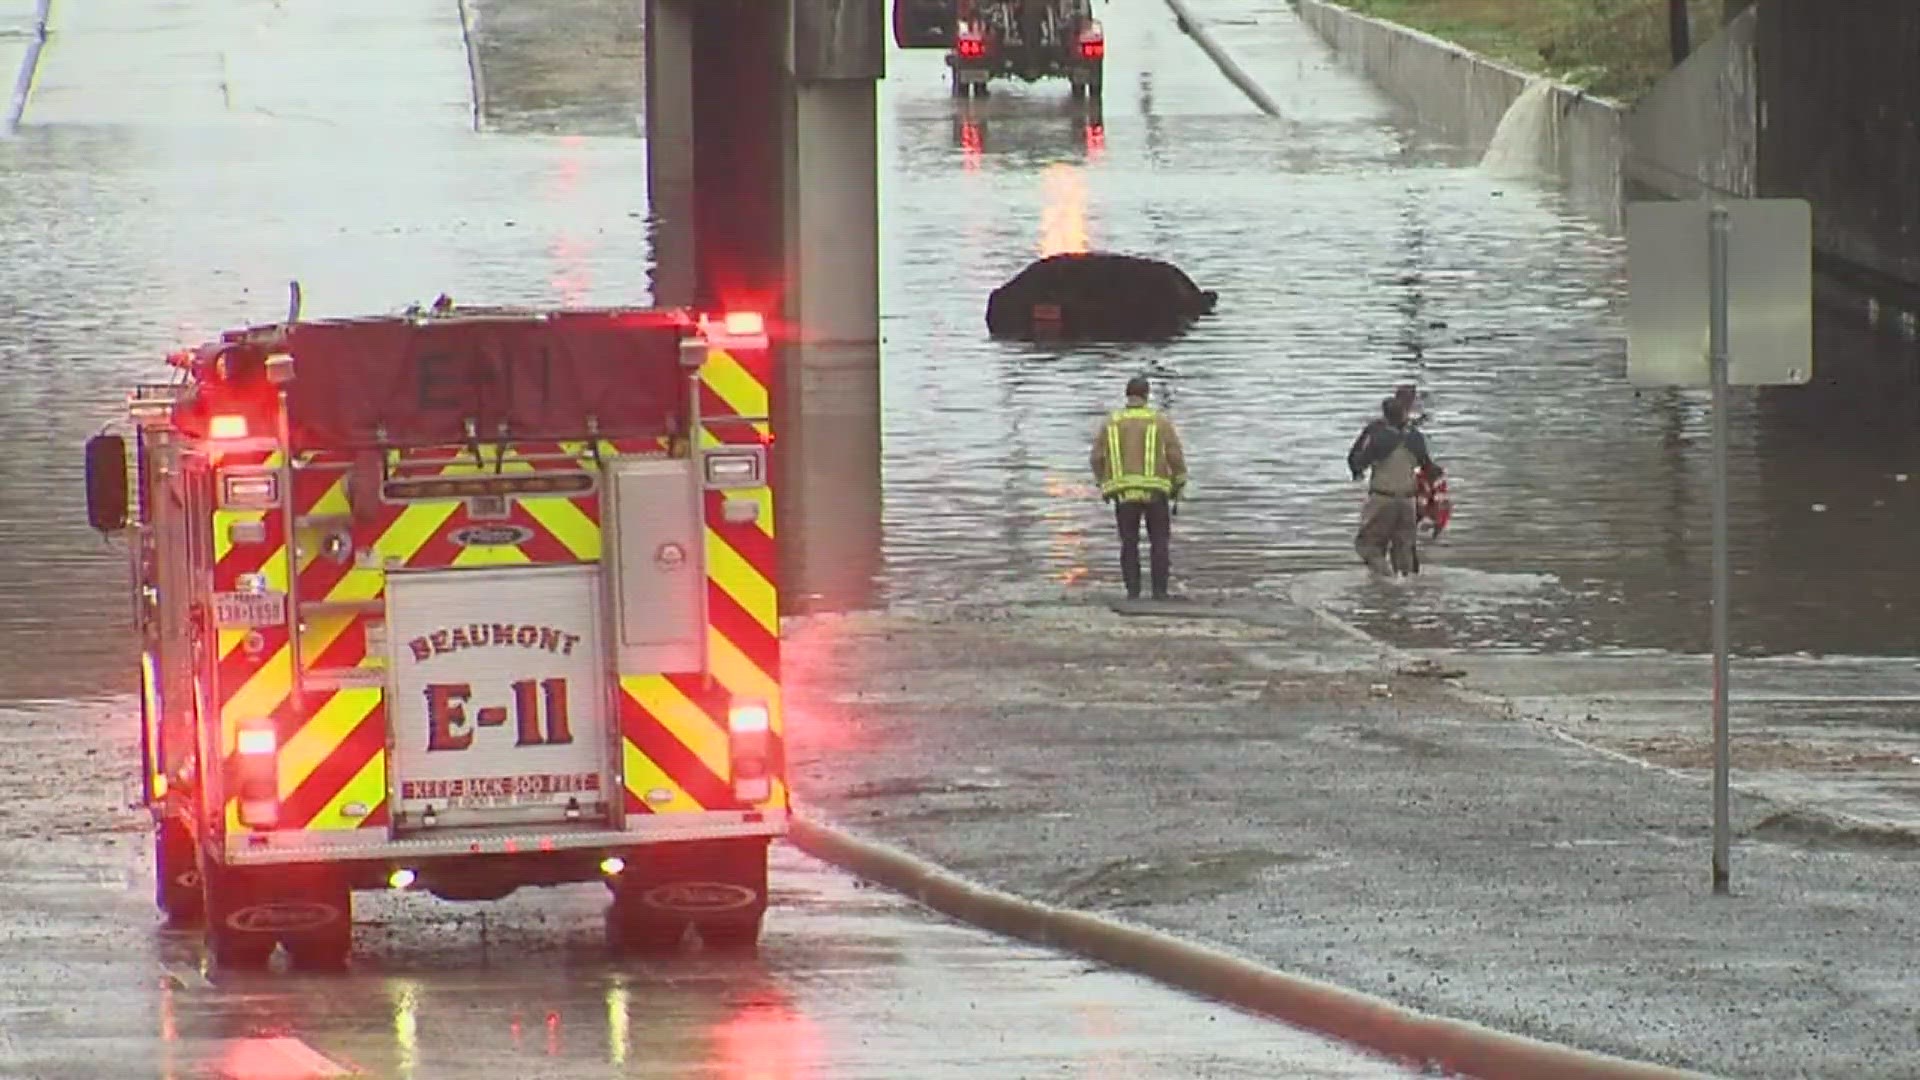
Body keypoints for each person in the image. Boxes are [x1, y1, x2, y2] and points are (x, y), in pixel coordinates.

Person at [1089, 374, 1187, 599]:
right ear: (1146, 395)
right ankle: (1159, 592)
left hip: (1124, 494)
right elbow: (1175, 455)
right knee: (1159, 543)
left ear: (1127, 395)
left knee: (1129, 543)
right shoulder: (1159, 421)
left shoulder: (1111, 422)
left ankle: (1133, 592)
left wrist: (1103, 481)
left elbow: (1096, 457)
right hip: (1156, 492)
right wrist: (1179, 482)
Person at [1347, 395, 1442, 577]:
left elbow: (1357, 462)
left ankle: (1384, 579)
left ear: (1385, 415)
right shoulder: (1416, 438)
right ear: (1405, 414)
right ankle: (1405, 587)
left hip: (1382, 499)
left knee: (1368, 545)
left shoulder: (1377, 437)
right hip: (1408, 502)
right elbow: (1429, 468)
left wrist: (1367, 436)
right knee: (1404, 549)